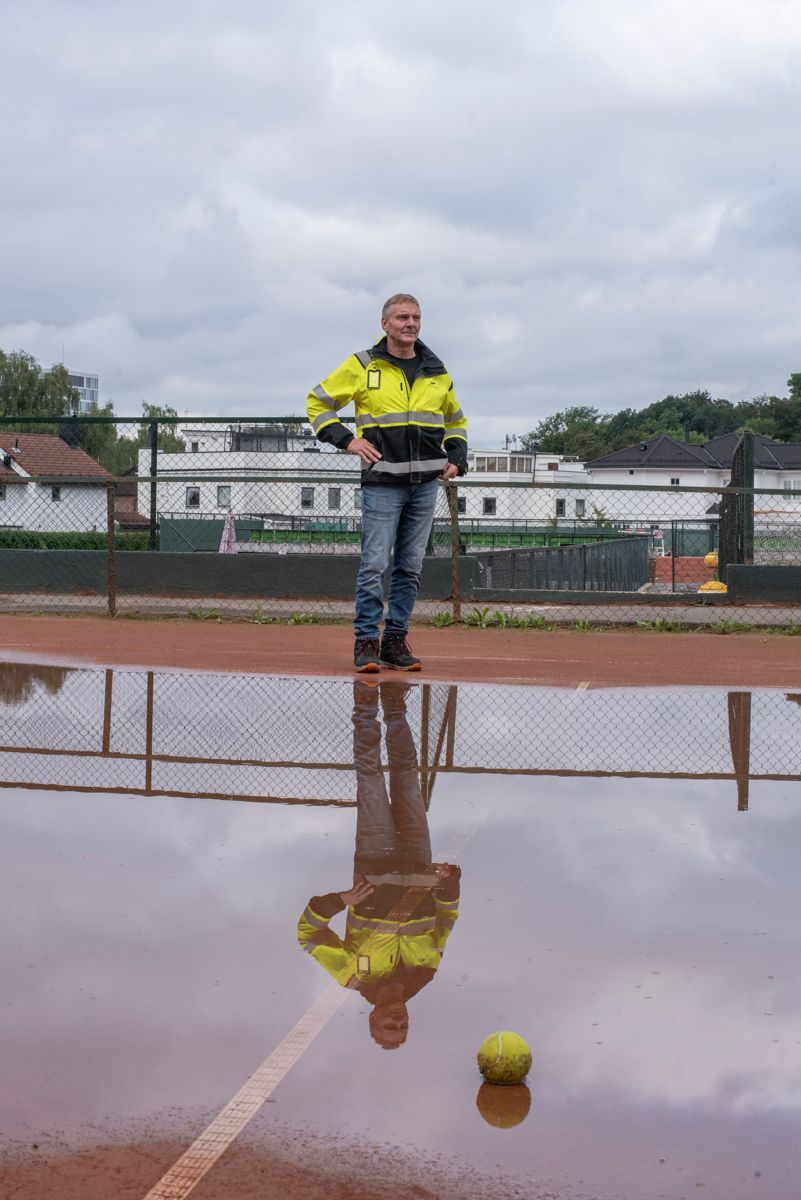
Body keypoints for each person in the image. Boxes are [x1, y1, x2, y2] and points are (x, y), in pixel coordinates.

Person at [306, 294, 468, 672]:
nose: (410, 324)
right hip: (382, 482)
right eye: (402, 317)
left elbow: (456, 419)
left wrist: (457, 457)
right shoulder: (363, 365)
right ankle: (366, 642)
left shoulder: (437, 370)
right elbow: (317, 403)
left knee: (410, 568)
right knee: (375, 564)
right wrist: (348, 440)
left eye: (415, 317)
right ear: (385, 324)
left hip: (426, 483)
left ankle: (394, 642)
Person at [297, 681, 461, 1049]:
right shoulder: (427, 972)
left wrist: (340, 901)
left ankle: (366, 704)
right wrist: (450, 883)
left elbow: (308, 935)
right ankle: (394, 704)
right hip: (418, 857)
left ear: (373, 1018)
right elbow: (447, 917)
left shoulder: (352, 976)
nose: (397, 1022)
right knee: (407, 774)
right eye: (402, 1028)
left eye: (388, 1027)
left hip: (374, 855)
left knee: (370, 777)